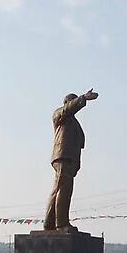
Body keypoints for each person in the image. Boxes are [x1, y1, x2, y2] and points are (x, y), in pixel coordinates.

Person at [44, 89, 99, 232]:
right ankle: (61, 224)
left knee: (59, 189)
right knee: (63, 189)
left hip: (69, 159)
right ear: (67, 103)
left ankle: (49, 223)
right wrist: (83, 98)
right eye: (73, 102)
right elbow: (69, 109)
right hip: (62, 156)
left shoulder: (73, 122)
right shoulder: (59, 115)